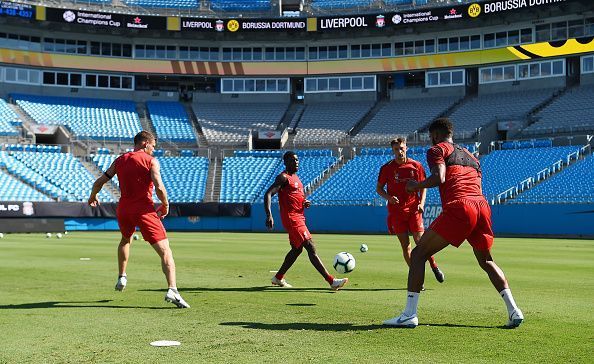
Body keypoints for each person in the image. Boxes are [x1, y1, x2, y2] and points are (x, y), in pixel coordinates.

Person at [383, 118, 523, 328]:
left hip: (460, 206)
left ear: (435, 135)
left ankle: (409, 315)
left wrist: (416, 185)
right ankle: (514, 310)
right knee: (486, 261)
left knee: (419, 253)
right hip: (481, 206)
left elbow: (440, 178)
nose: (431, 142)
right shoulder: (471, 155)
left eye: (431, 138)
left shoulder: (437, 150)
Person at [88, 131, 190, 308]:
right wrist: (165, 204)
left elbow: (99, 182)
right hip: (144, 210)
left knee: (125, 240)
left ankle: (122, 276)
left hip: (124, 209)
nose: (153, 150)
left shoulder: (120, 160)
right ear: (145, 143)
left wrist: (93, 196)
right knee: (166, 251)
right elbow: (158, 186)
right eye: (153, 146)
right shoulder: (150, 161)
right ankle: (172, 289)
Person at [264, 151, 348, 291]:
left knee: (296, 250)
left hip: (299, 216)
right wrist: (269, 215)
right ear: (285, 163)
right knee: (310, 246)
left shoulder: (296, 178)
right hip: (292, 219)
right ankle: (331, 281)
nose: (296, 162)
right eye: (292, 160)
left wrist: (304, 202)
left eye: (297, 160)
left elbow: (295, 197)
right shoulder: (283, 177)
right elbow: (268, 194)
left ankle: (278, 277)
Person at [376, 137, 445, 284]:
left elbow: (424, 186)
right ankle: (417, 277)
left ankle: (434, 266)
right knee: (405, 245)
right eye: (396, 149)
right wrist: (389, 197)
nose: (399, 151)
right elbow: (379, 189)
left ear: (406, 148)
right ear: (393, 150)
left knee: (421, 242)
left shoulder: (416, 166)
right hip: (396, 213)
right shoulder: (386, 168)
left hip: (414, 209)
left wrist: (422, 203)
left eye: (401, 148)